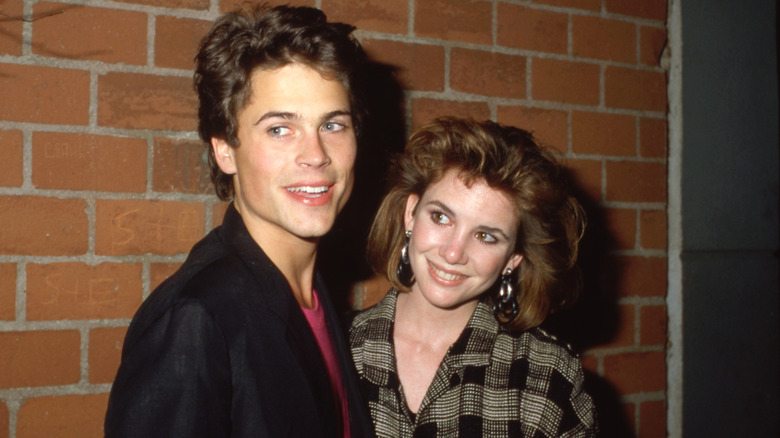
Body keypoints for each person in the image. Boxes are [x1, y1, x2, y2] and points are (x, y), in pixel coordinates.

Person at [105, 5, 375, 437]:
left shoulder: (316, 296)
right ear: (225, 149)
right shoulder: (195, 320)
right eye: (279, 129)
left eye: (333, 125)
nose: (316, 154)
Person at [350, 117, 598, 437]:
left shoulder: (549, 374)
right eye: (440, 217)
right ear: (411, 213)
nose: (453, 253)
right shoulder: (335, 347)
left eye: (486, 236)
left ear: (513, 258)